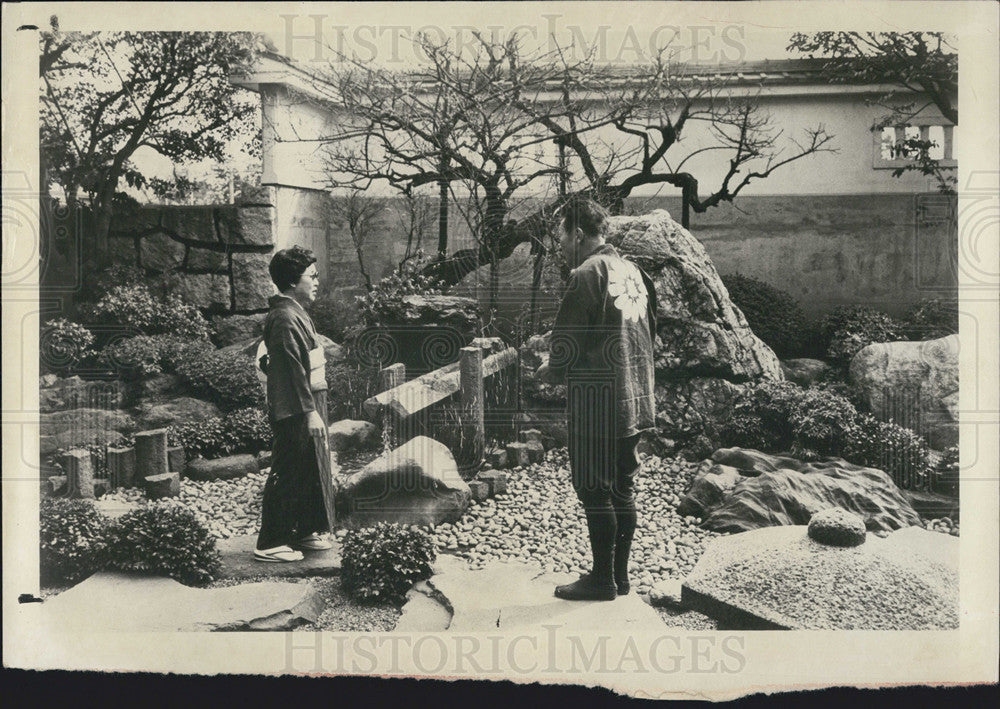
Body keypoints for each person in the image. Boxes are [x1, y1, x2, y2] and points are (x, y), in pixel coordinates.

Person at [536, 197, 657, 600]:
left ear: (579, 233)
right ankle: (620, 577)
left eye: (562, 234)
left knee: (595, 488)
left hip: (598, 401)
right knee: (623, 487)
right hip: (634, 397)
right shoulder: (634, 271)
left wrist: (550, 368)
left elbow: (566, 345)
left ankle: (601, 580)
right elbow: (644, 332)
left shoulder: (587, 273)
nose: (561, 243)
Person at [253, 246, 333, 562]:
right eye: (311, 276)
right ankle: (271, 541)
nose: (316, 281)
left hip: (305, 400)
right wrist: (310, 412)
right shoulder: (285, 318)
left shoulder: (293, 313)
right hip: (294, 406)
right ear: (292, 282)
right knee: (288, 469)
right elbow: (289, 368)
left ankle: (302, 530)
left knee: (308, 466)